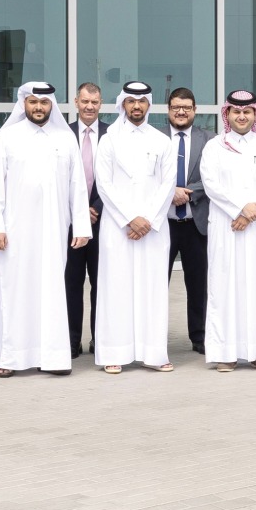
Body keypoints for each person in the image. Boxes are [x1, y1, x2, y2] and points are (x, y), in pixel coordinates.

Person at [0, 82, 92, 378]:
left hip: (55, 230)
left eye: (44, 103)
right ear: (24, 104)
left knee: (52, 290)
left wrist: (81, 225)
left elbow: (77, 186)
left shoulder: (65, 138)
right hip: (14, 232)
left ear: (52, 106)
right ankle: (10, 358)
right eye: (33, 102)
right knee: (13, 290)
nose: (39, 108)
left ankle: (54, 357)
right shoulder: (7, 137)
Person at [92, 81, 174, 374]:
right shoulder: (109, 139)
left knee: (152, 289)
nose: (136, 107)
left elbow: (167, 184)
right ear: (122, 105)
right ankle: (114, 352)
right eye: (130, 102)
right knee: (117, 287)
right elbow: (104, 184)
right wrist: (130, 218)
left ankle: (154, 353)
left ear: (148, 105)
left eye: (141, 102)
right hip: (119, 228)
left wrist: (147, 220)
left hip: (152, 229)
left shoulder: (162, 140)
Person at [201, 90, 256, 372]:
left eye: (247, 111)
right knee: (225, 286)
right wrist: (238, 209)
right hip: (227, 227)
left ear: (254, 115)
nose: (241, 116)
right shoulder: (215, 146)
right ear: (227, 114)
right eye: (236, 112)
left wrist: (249, 214)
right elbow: (211, 184)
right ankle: (226, 353)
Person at [165, 87, 213, 355]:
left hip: (197, 223)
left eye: (186, 107)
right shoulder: (155, 138)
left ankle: (200, 336)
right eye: (175, 107)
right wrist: (168, 191)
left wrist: (186, 192)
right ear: (168, 110)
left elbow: (214, 177)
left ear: (195, 110)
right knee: (157, 282)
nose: (181, 112)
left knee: (198, 283)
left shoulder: (210, 139)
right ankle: (155, 336)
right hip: (163, 225)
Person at [66, 82, 108, 359]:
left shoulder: (112, 134)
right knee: (70, 283)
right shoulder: (63, 133)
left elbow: (118, 178)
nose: (89, 106)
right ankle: (70, 341)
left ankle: (100, 340)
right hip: (70, 225)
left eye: (94, 102)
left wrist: (95, 207)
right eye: (85, 101)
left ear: (101, 103)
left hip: (104, 223)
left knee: (101, 284)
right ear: (76, 102)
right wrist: (78, 210)